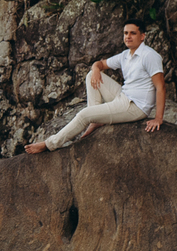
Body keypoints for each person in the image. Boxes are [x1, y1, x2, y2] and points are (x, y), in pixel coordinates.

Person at [25, 19, 165, 154]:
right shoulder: (125, 55)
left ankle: (50, 144)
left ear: (142, 36)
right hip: (123, 95)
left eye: (132, 33)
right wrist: (96, 70)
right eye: (126, 33)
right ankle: (96, 120)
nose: (128, 36)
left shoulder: (149, 56)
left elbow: (160, 87)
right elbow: (100, 64)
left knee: (84, 115)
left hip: (135, 106)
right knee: (91, 74)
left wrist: (158, 118)